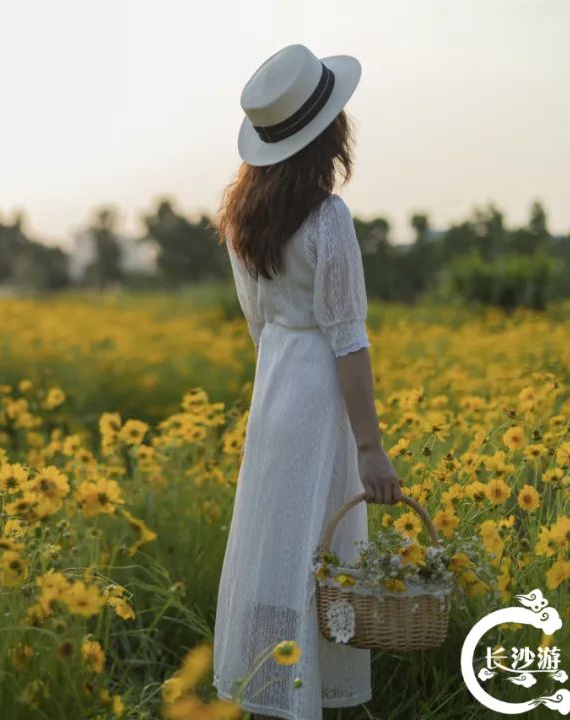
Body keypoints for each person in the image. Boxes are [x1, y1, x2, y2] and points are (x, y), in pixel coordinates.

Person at [211, 44, 403, 720]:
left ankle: (271, 692)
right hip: (319, 393)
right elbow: (348, 338)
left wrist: (283, 376)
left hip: (276, 387)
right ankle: (309, 696)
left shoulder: (242, 220)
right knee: (323, 548)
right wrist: (370, 446)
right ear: (329, 133)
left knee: (275, 543)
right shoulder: (329, 219)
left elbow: (259, 327)